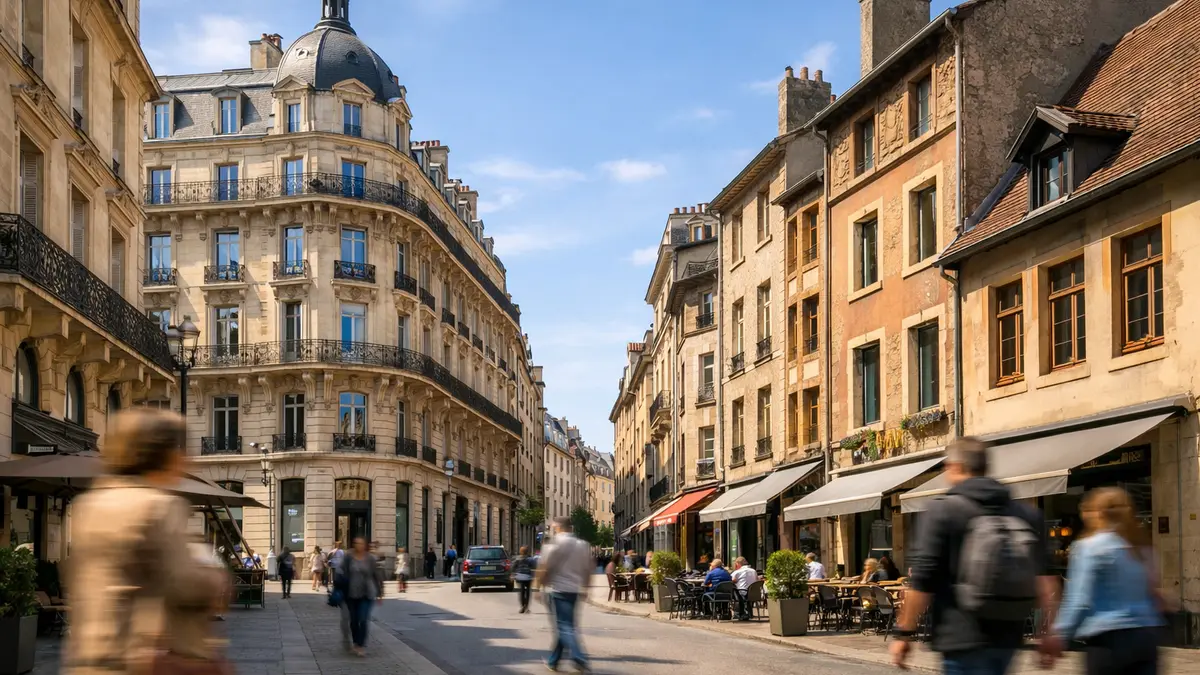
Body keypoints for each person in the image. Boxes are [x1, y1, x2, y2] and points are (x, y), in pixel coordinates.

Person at [62, 409, 232, 675]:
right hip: (143, 660)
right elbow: (184, 584)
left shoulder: (88, 505)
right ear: (167, 455)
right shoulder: (158, 506)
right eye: (181, 450)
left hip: (91, 656)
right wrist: (215, 579)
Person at [891, 437, 1055, 675]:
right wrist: (1048, 632)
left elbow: (922, 580)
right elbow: (1046, 582)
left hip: (961, 636)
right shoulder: (1026, 514)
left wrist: (904, 633)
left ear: (954, 466)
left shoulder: (943, 511)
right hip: (1009, 635)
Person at [1043, 487, 1164, 675]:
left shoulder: (1090, 547)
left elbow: (1080, 599)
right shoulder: (1142, 548)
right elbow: (1154, 592)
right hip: (1146, 637)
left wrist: (1059, 634)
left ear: (1097, 513)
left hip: (1108, 641)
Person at [537, 516, 594, 672]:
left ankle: (579, 657)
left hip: (557, 590)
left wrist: (538, 588)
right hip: (575, 590)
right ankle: (553, 661)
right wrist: (586, 588)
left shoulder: (553, 544)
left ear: (558, 527)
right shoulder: (583, 545)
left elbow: (544, 568)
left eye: (554, 526)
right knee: (566, 625)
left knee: (564, 627)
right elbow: (589, 569)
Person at [337, 537, 385, 657]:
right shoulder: (348, 557)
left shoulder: (370, 558)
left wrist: (380, 592)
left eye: (361, 543)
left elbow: (376, 576)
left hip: (367, 593)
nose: (359, 546)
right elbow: (340, 572)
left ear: (365, 545)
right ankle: (355, 642)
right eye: (357, 543)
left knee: (363, 619)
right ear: (354, 544)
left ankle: (360, 645)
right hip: (351, 594)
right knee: (353, 621)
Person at [730, 557, 758, 621]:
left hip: (743, 593)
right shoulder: (753, 571)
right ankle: (748, 612)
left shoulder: (737, 572)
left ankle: (739, 613)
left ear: (738, 564)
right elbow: (756, 580)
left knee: (734, 590)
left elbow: (730, 580)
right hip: (754, 593)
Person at [512, 545, 535, 613]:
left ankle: (522, 606)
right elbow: (533, 567)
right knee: (527, 592)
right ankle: (526, 606)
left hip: (520, 577)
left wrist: (512, 575)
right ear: (527, 552)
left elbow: (513, 567)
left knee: (522, 592)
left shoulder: (517, 559)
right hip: (528, 577)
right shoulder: (530, 559)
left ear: (520, 552)